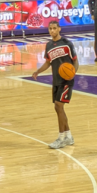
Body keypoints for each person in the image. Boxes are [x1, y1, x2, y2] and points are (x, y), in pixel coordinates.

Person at [32, 20, 77, 149]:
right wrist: (38, 71)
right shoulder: (49, 45)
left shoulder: (67, 44)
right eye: (50, 28)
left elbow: (75, 61)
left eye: (54, 28)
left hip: (66, 81)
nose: (52, 31)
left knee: (58, 106)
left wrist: (73, 74)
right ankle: (68, 136)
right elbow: (48, 62)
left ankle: (61, 137)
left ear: (59, 29)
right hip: (56, 80)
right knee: (58, 108)